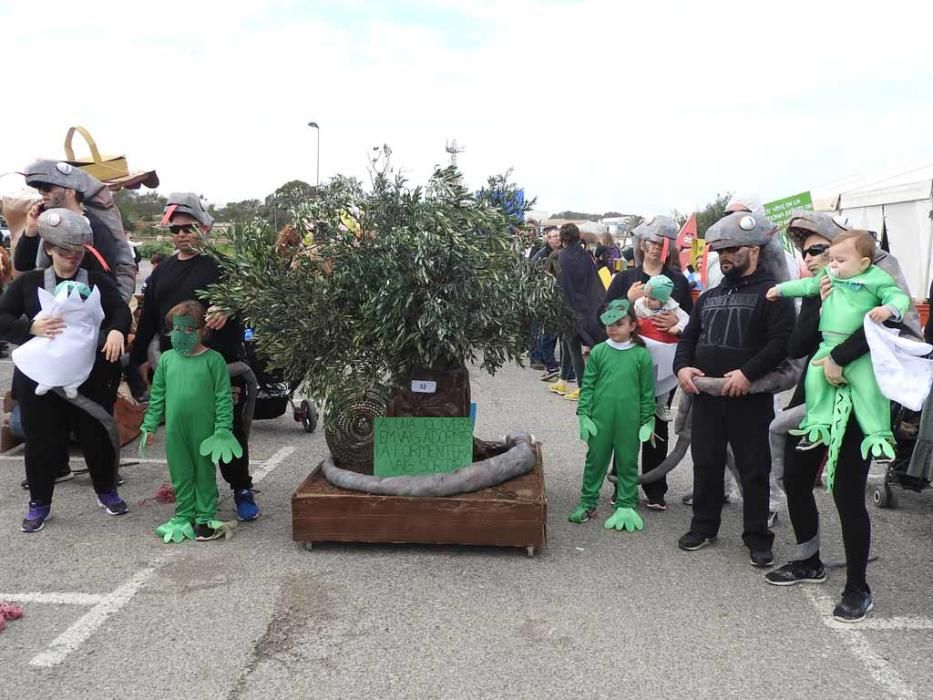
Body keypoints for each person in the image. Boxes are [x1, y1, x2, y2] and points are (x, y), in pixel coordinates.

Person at [764, 211, 921, 622]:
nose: (813, 257)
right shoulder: (823, 282)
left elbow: (900, 327)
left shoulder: (878, 269)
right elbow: (798, 346)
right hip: (815, 399)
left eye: (818, 248)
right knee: (796, 476)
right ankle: (807, 560)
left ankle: (857, 588)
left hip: (859, 394)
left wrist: (839, 355)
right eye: (806, 252)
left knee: (846, 490)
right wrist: (819, 299)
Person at [674, 211, 794, 566]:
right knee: (706, 463)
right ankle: (704, 526)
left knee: (753, 469)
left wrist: (746, 373)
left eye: (733, 250)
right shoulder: (709, 296)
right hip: (707, 398)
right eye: (721, 251)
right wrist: (682, 367)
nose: (725, 257)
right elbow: (690, 337)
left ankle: (758, 537)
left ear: (754, 250)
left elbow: (780, 342)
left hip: (749, 399)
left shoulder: (773, 293)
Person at [0, 209, 131, 533]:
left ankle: (107, 491)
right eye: (64, 253)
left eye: (77, 253)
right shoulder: (28, 283)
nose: (72, 259)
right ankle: (39, 504)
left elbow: (118, 310)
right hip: (38, 380)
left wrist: (116, 330)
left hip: (90, 378)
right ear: (49, 249)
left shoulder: (97, 281)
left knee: (96, 436)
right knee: (41, 442)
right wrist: (29, 326)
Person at [131, 193, 259, 521]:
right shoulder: (161, 273)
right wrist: (137, 363)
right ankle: (199, 494)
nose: (182, 235)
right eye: (175, 230)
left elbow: (252, 298)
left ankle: (241, 487)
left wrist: (228, 306)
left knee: (227, 431)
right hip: (179, 371)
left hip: (222, 366)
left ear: (204, 227)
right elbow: (148, 320)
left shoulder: (224, 267)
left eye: (188, 228)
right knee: (186, 435)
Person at [767, 230, 909, 466]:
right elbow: (806, 286)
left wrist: (888, 309)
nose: (832, 264)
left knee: (869, 391)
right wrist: (780, 290)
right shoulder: (827, 278)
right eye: (831, 258)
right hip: (828, 344)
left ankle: (878, 439)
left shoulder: (876, 278)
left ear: (863, 262)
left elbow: (898, 297)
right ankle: (816, 426)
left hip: (860, 355)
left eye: (839, 260)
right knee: (814, 381)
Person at [606, 215, 693, 510]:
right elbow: (604, 318)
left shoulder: (678, 282)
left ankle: (656, 489)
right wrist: (627, 302)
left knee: (657, 421)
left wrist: (676, 323)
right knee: (627, 421)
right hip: (628, 362)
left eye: (662, 243)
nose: (656, 248)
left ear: (669, 248)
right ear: (642, 243)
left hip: (665, 365)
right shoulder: (625, 279)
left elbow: (693, 324)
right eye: (652, 242)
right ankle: (622, 484)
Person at [140, 301, 241, 542]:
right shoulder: (166, 360)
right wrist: (150, 424)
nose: (181, 334)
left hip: (204, 430)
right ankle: (184, 514)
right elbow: (158, 396)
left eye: (188, 329)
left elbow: (223, 399)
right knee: (181, 472)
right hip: (176, 430)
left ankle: (205, 517)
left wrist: (223, 430)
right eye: (177, 328)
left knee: (204, 471)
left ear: (201, 331)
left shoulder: (214, 360)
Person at [568, 299, 655, 528]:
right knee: (594, 461)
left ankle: (626, 504)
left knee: (627, 462)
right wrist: (583, 414)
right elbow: (588, 385)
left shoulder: (641, 356)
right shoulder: (598, 351)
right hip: (600, 419)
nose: (613, 328)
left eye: (620, 323)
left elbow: (647, 393)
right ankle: (588, 503)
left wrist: (648, 420)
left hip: (630, 421)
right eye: (609, 324)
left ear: (632, 325)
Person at [17, 160, 137, 301]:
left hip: (80, 310)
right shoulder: (44, 223)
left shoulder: (94, 228)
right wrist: (31, 230)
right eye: (39, 189)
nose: (42, 193)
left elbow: (105, 280)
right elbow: (22, 264)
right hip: (44, 312)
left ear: (70, 191)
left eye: (48, 187)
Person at [553, 223, 607, 401]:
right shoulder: (586, 256)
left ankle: (583, 387)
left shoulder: (561, 258)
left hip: (569, 307)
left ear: (562, 238)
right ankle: (562, 380)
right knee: (568, 343)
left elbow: (560, 284)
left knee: (572, 346)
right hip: (587, 306)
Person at [634, 274, 690, 423]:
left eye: (652, 299)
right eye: (646, 296)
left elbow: (686, 319)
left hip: (666, 346)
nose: (647, 301)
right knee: (644, 377)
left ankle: (662, 404)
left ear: (664, 299)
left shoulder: (673, 308)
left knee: (666, 377)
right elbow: (631, 317)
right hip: (645, 343)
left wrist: (677, 327)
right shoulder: (640, 304)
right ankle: (643, 403)